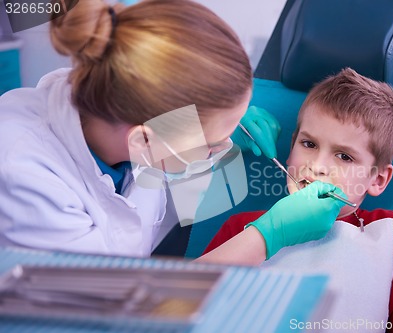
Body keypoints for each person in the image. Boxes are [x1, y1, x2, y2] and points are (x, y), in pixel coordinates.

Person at [0, 0, 345, 264]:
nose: (225, 147)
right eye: (211, 143)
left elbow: (163, 171)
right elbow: (114, 306)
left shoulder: (123, 112)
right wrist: (267, 236)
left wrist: (218, 131)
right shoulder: (24, 176)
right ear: (142, 140)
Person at [203, 68, 393, 331]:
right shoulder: (241, 228)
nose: (318, 166)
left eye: (344, 156)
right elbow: (190, 308)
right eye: (309, 144)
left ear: (377, 179)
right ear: (290, 148)